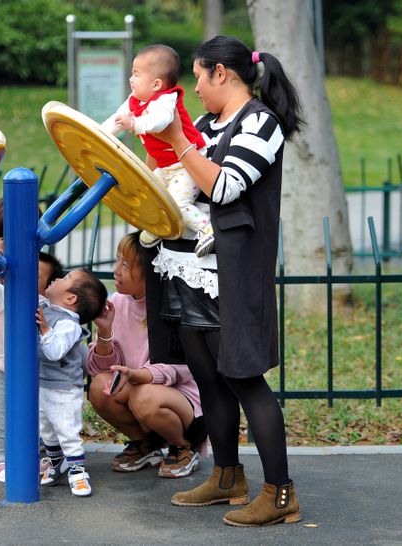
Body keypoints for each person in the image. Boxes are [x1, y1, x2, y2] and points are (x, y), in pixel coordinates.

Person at [146, 35, 305, 527]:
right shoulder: (207, 125)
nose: (193, 88)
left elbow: (225, 185)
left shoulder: (260, 122)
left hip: (233, 273)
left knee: (243, 377)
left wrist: (177, 140)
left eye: (197, 76)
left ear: (222, 73)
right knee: (208, 375)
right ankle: (227, 476)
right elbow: (184, 179)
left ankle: (281, 494)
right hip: (190, 267)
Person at [87, 232, 207, 479]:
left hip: (182, 403)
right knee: (100, 387)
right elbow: (101, 369)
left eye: (126, 265)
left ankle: (184, 447)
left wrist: (139, 375)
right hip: (138, 389)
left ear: (149, 272)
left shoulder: (173, 303)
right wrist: (105, 332)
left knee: (145, 395)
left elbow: (183, 368)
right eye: (118, 260)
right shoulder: (118, 302)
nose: (116, 270)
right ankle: (146, 445)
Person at [0, 201, 65, 482]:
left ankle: (32, 458)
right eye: (4, 238)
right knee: (3, 422)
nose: (11, 245)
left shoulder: (42, 299)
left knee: (33, 419)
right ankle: (0, 462)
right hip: (1, 368)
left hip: (33, 369)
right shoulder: (1, 296)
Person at [102, 44, 213, 256]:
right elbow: (117, 120)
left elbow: (160, 122)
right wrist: (98, 135)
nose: (130, 79)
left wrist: (133, 123)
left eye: (136, 74)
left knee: (177, 204)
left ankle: (207, 228)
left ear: (156, 84)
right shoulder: (136, 100)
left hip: (188, 164)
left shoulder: (166, 99)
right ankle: (159, 227)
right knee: (150, 193)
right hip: (167, 165)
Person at [37, 269, 107, 497]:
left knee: (67, 430)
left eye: (65, 278)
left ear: (70, 299)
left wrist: (46, 329)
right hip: (42, 383)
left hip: (63, 389)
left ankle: (77, 470)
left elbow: (55, 351)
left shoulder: (69, 325)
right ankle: (56, 462)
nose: (57, 278)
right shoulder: (47, 307)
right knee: (46, 429)